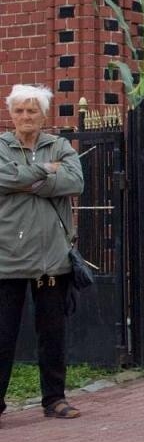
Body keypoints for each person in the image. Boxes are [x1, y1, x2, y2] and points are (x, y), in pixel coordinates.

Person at [0, 84, 86, 424]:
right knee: (2, 336)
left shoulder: (60, 145)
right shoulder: (2, 147)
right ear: (10, 114)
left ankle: (55, 399)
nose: (25, 116)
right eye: (19, 110)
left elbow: (74, 182)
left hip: (52, 258)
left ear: (43, 115)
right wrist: (46, 172)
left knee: (52, 333)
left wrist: (22, 181)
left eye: (32, 111)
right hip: (7, 255)